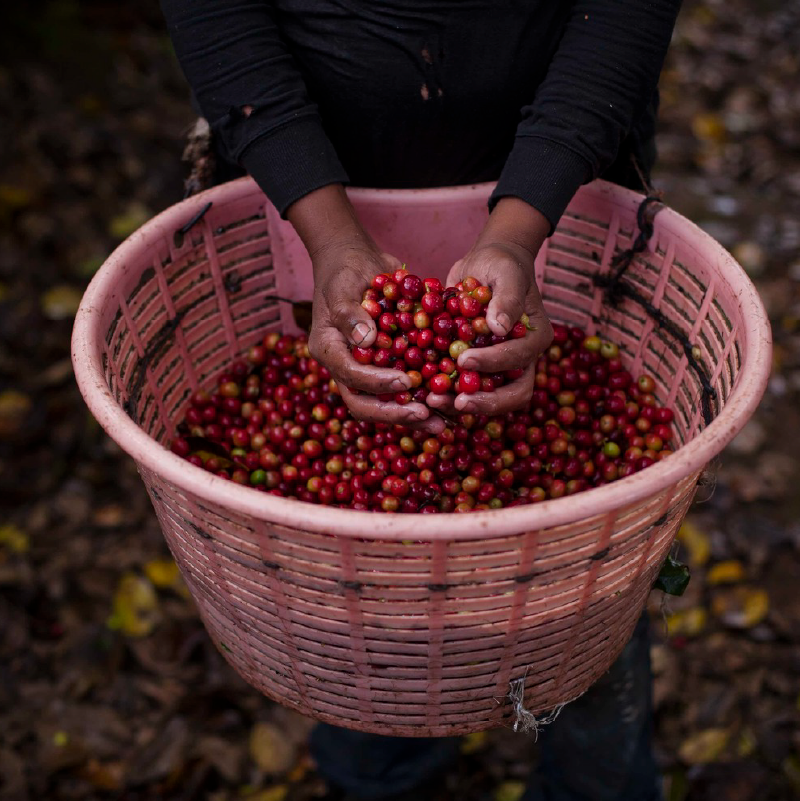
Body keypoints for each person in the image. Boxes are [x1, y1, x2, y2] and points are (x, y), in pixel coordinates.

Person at [160, 2, 682, 799]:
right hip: (315, 171)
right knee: (358, 594)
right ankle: (382, 768)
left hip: (563, 174)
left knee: (586, 591)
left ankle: (590, 770)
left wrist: (516, 231)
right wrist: (331, 239)